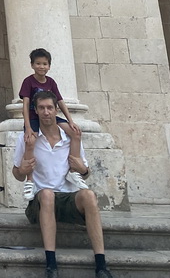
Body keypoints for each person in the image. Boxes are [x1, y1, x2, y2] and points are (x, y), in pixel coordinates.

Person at [12, 89, 115, 278]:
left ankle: (101, 265)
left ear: (56, 110)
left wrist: (83, 170)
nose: (46, 112)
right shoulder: (27, 139)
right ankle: (51, 265)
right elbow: (17, 174)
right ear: (35, 110)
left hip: (67, 197)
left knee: (89, 196)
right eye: (41, 108)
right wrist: (23, 171)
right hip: (40, 200)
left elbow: (85, 172)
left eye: (50, 107)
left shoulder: (70, 137)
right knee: (47, 194)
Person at [20, 47, 86, 198]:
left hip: (51, 116)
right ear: (32, 65)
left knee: (75, 133)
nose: (41, 67)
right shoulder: (28, 82)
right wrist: (28, 127)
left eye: (44, 64)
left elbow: (60, 102)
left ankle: (73, 172)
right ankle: (30, 181)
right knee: (30, 142)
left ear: (49, 66)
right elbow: (25, 104)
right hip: (34, 117)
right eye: (38, 63)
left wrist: (71, 121)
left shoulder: (51, 82)